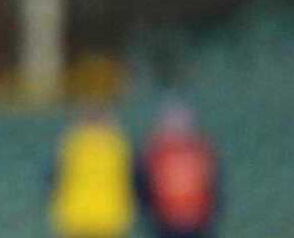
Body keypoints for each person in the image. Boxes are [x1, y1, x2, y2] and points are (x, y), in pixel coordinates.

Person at [47, 103, 136, 238]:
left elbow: (127, 179)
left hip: (108, 216)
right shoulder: (72, 143)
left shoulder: (117, 144)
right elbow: (56, 177)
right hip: (76, 215)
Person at [136, 98, 221, 238]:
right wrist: (151, 216)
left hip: (197, 222)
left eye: (179, 121)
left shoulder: (200, 149)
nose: (176, 126)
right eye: (172, 121)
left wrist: (210, 218)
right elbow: (142, 185)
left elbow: (213, 185)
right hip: (165, 223)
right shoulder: (153, 151)